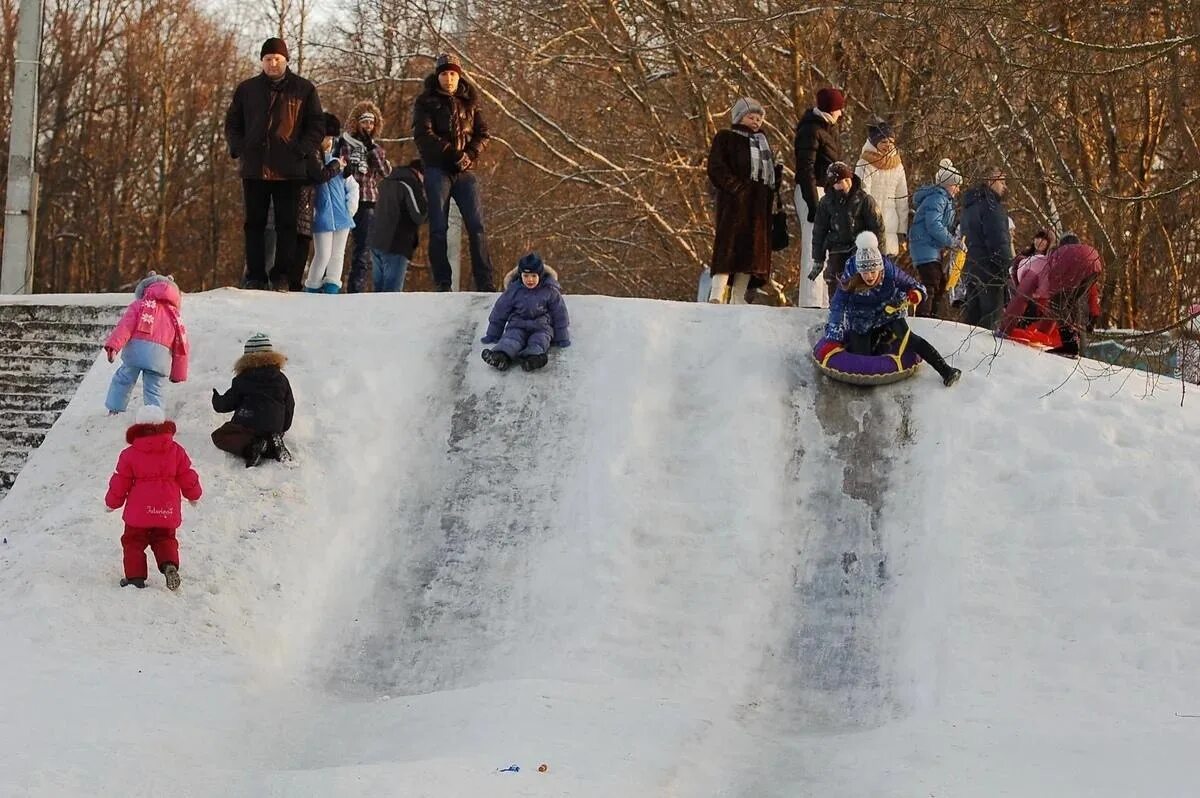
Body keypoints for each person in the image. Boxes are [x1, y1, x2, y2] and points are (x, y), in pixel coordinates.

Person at [224, 37, 324, 291]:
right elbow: (232, 123)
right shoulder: (247, 89)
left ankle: (282, 275)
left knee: (287, 225)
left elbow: (316, 126)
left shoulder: (303, 89)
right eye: (268, 59)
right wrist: (239, 147)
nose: (272, 63)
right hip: (255, 168)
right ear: (261, 61)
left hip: (289, 170)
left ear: (286, 60)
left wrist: (301, 150)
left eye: (277, 59)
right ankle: (255, 276)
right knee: (254, 224)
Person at [816, 232, 962, 387]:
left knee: (909, 338)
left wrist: (916, 293)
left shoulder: (889, 271)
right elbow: (837, 307)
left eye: (873, 271)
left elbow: (913, 284)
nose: (870, 276)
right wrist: (833, 338)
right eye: (865, 272)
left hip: (889, 313)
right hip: (861, 319)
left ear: (880, 268)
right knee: (862, 358)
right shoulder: (849, 277)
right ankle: (878, 338)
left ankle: (946, 370)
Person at [412, 53, 496, 292]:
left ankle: (485, 282)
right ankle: (443, 282)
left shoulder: (470, 101)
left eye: (453, 74)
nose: (449, 79)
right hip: (438, 169)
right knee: (439, 227)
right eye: (444, 74)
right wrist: (453, 154)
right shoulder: (425, 101)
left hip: (466, 171)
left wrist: (469, 155)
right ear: (437, 76)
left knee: (476, 225)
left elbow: (484, 134)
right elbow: (423, 135)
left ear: (459, 76)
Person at [105, 404, 202, 590]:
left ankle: (135, 577)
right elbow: (186, 474)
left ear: (138, 428)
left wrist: (112, 502)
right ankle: (169, 564)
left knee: (133, 541)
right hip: (167, 508)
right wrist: (194, 494)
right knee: (165, 538)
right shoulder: (176, 450)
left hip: (138, 512)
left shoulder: (130, 454)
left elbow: (120, 481)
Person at [706, 97, 781, 304]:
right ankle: (716, 294)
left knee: (751, 253)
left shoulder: (764, 142)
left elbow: (770, 179)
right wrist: (735, 187)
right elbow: (716, 166)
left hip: (758, 207)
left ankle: (738, 296)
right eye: (751, 116)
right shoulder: (726, 137)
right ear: (739, 116)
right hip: (734, 204)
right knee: (727, 249)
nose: (756, 121)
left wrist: (778, 173)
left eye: (759, 118)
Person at [997, 233, 1102, 358]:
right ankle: (1072, 346)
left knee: (1058, 302)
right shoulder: (1052, 263)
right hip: (1095, 261)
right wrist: (1041, 334)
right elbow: (1053, 312)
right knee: (1067, 302)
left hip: (1074, 263)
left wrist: (1004, 329)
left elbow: (1020, 298)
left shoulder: (1030, 268)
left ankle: (1070, 347)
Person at [103, 273, 189, 414]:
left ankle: (114, 410)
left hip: (136, 352)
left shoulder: (139, 305)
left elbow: (125, 327)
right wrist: (178, 373)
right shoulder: (175, 315)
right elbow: (182, 345)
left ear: (146, 287)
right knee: (155, 388)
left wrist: (113, 347)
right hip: (159, 358)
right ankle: (154, 416)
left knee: (123, 379)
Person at [211, 333, 296, 467]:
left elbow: (226, 404)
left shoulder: (243, 379)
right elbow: (290, 405)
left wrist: (216, 399)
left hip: (249, 425)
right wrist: (282, 427)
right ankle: (272, 443)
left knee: (221, 436)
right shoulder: (281, 379)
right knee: (269, 433)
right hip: (275, 426)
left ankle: (252, 447)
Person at [794, 87, 845, 308]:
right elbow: (806, 170)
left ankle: (823, 299)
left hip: (826, 193)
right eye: (839, 109)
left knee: (825, 246)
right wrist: (813, 204)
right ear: (831, 109)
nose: (841, 113)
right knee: (813, 246)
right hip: (813, 192)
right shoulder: (811, 130)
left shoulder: (826, 129)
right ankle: (811, 300)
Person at [479, 253, 570, 372]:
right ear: (520, 276)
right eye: (526, 276)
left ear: (540, 275)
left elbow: (560, 314)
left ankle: (532, 359)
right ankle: (500, 357)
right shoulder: (514, 291)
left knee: (540, 340)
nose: (530, 280)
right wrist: (493, 334)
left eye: (533, 275)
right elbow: (500, 312)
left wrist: (561, 337)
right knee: (511, 339)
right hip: (517, 325)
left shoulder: (549, 290)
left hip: (541, 327)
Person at [337, 101, 392, 292]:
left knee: (363, 248)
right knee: (338, 244)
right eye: (364, 122)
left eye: (371, 123)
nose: (367, 126)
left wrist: (371, 148)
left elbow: (385, 171)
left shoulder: (377, 148)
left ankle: (355, 289)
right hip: (344, 200)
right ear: (356, 123)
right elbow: (339, 166)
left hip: (368, 200)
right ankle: (331, 283)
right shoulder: (344, 143)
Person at [810, 161, 884, 302]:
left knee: (859, 277)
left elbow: (877, 227)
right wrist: (818, 258)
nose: (843, 185)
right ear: (832, 184)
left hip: (860, 247)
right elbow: (819, 231)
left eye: (846, 180)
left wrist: (880, 254)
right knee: (834, 277)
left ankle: (861, 306)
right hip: (836, 246)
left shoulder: (864, 200)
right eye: (838, 182)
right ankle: (836, 308)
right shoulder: (826, 203)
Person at [303, 113, 358, 293]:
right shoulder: (317, 163)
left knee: (337, 254)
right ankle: (312, 284)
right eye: (327, 138)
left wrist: (350, 209)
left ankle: (332, 284)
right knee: (323, 254)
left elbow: (353, 187)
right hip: (323, 218)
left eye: (332, 139)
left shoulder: (339, 163)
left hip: (342, 217)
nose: (329, 142)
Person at [907, 158, 963, 318]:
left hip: (930, 248)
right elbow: (934, 225)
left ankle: (932, 316)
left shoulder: (944, 200)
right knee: (931, 283)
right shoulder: (938, 198)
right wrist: (952, 242)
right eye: (956, 185)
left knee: (940, 283)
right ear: (947, 185)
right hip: (924, 246)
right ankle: (924, 317)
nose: (958, 189)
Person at [959, 165, 1013, 329]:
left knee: (972, 322)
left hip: (971, 268)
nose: (1004, 186)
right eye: (1002, 181)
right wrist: (1007, 267)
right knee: (989, 323)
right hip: (990, 272)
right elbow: (998, 241)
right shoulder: (992, 208)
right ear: (991, 181)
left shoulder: (969, 207)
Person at [368, 159, 427, 292]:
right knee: (391, 295)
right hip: (396, 244)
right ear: (420, 173)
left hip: (375, 241)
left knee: (378, 292)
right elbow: (420, 215)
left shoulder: (385, 181)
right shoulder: (410, 184)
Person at [854, 121, 909, 257]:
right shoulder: (864, 164)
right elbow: (862, 197)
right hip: (870, 230)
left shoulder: (898, 166)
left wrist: (902, 231)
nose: (888, 145)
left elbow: (902, 199)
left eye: (891, 141)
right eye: (884, 141)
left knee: (888, 273)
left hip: (891, 230)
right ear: (874, 142)